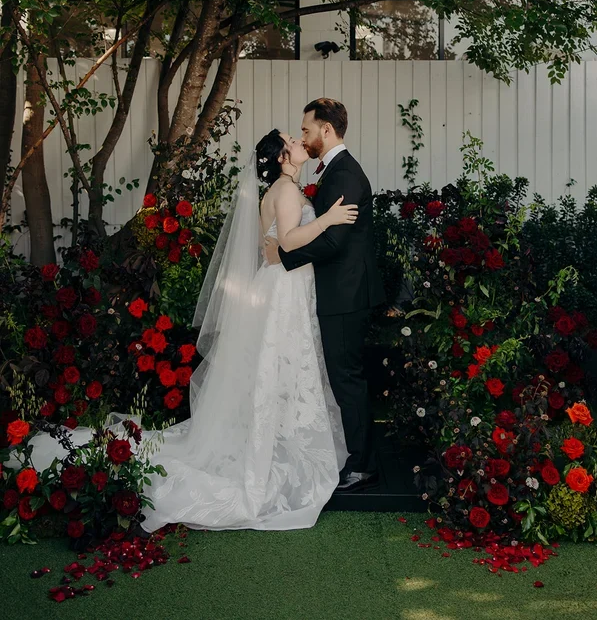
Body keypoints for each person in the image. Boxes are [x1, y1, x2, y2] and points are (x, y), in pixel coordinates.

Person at [25, 131, 358, 531]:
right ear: (283, 157)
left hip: (279, 286)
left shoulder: (280, 190)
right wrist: (327, 219)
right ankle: (276, 451)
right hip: (283, 293)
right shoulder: (286, 192)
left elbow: (267, 247)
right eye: (291, 138)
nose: (297, 138)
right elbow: (285, 243)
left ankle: (278, 442)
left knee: (278, 374)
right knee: (282, 371)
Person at [265, 99, 385, 492]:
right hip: (338, 292)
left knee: (346, 378)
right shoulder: (334, 172)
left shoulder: (345, 174)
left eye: (306, 130)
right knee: (341, 377)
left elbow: (333, 241)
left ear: (326, 130)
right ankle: (357, 456)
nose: (303, 136)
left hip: (346, 294)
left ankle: (363, 464)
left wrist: (284, 255)